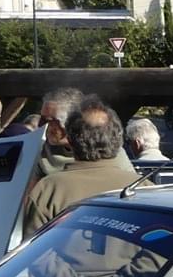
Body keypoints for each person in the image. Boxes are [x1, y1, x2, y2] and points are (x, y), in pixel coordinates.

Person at [21, 98, 131, 237]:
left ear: (70, 130)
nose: (42, 126)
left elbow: (34, 244)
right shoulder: (144, 188)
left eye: (50, 120)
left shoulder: (49, 190)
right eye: (42, 120)